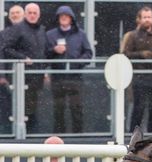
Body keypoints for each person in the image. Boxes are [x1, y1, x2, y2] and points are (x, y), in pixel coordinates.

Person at [121, 6, 152, 132]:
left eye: (149, 17)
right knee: (139, 108)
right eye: (144, 17)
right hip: (139, 76)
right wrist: (141, 55)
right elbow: (126, 54)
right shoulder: (132, 35)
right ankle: (134, 136)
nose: (147, 20)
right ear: (139, 19)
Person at [45, 5, 92, 134]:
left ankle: (78, 138)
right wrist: (54, 50)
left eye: (66, 16)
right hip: (57, 77)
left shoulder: (80, 34)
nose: (64, 18)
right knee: (58, 110)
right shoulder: (50, 35)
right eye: (61, 16)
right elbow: (44, 55)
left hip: (75, 78)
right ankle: (59, 137)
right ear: (58, 18)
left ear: (71, 18)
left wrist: (77, 62)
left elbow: (88, 53)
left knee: (77, 108)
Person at [3, 3, 45, 131]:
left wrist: (45, 70)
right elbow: (6, 49)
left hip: (36, 76)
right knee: (18, 107)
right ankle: (20, 135)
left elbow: (43, 52)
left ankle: (31, 134)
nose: (32, 15)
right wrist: (23, 58)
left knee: (32, 107)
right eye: (29, 13)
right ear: (25, 14)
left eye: (35, 13)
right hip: (19, 77)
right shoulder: (16, 30)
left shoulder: (41, 30)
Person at [0, 5, 25, 131]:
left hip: (30, 76)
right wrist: (2, 75)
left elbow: (40, 53)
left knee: (29, 107)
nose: (15, 15)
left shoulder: (35, 31)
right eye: (12, 13)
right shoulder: (4, 34)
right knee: (8, 106)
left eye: (17, 13)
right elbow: (1, 53)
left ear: (23, 15)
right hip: (10, 75)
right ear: (9, 17)